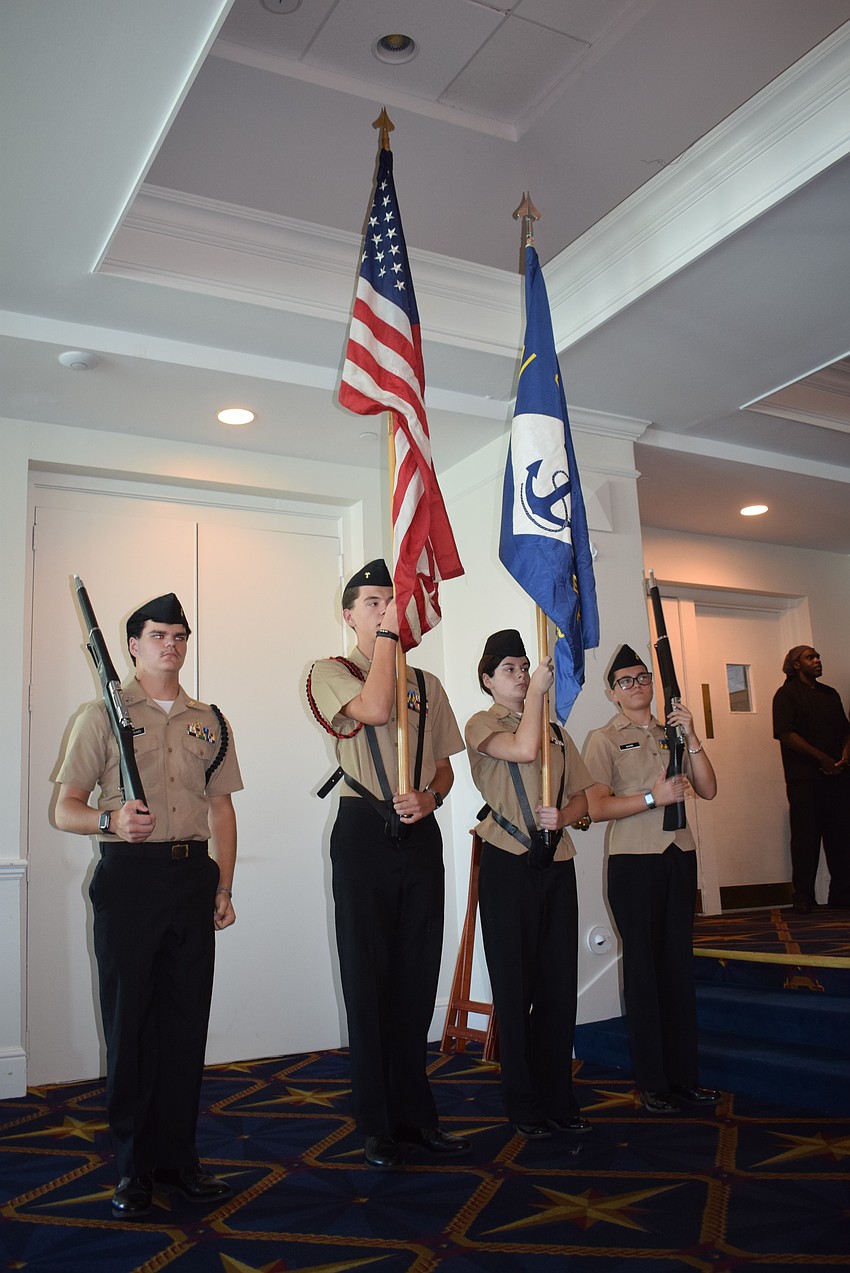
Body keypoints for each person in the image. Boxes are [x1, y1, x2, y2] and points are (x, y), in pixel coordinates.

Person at [55, 593, 242, 1218]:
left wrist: (225, 885)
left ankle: (178, 1161)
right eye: (158, 635)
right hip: (129, 882)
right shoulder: (100, 715)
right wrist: (109, 817)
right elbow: (66, 808)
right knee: (131, 1027)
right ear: (132, 644)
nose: (171, 645)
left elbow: (221, 809)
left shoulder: (209, 719)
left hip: (191, 882)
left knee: (186, 1028)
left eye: (180, 635)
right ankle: (133, 1170)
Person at [307, 559, 469, 1169]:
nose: (382, 610)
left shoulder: (427, 684)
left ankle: (416, 1115)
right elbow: (374, 711)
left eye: (390, 601)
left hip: (418, 835)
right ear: (348, 614)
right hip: (362, 834)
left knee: (416, 974)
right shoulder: (328, 672)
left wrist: (432, 796)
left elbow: (447, 764)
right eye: (371, 603)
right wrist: (386, 646)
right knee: (368, 978)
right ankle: (375, 1122)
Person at [465, 629, 594, 1139]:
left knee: (559, 986)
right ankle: (522, 1103)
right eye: (509, 670)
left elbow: (586, 797)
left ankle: (558, 1097)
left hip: (557, 861)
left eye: (524, 667)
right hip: (507, 861)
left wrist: (564, 815)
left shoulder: (559, 733)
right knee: (515, 987)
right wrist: (540, 693)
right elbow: (521, 751)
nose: (520, 676)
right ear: (488, 680)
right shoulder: (481, 724)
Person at [582, 643, 720, 1115]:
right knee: (643, 970)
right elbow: (596, 807)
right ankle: (653, 1083)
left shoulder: (672, 733)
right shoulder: (602, 739)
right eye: (626, 681)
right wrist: (650, 798)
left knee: (678, 968)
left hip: (678, 857)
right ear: (613, 693)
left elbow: (708, 788)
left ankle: (686, 1078)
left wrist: (693, 737)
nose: (637, 685)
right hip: (634, 863)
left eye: (643, 678)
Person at [772, 645, 850, 912]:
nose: (817, 660)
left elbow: (846, 730)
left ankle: (841, 894)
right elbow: (786, 734)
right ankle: (804, 897)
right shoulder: (786, 695)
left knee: (841, 836)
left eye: (817, 656)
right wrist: (822, 759)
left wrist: (843, 757)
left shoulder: (830, 694)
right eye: (810, 657)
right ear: (795, 665)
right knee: (806, 837)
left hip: (839, 776)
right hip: (804, 778)